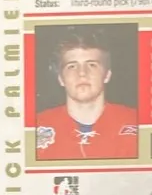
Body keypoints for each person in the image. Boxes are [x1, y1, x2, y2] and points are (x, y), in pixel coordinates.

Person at [35, 29, 138, 160]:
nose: (82, 73)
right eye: (72, 66)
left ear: (107, 75)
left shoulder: (136, 122)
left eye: (92, 65)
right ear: (61, 78)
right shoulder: (36, 125)